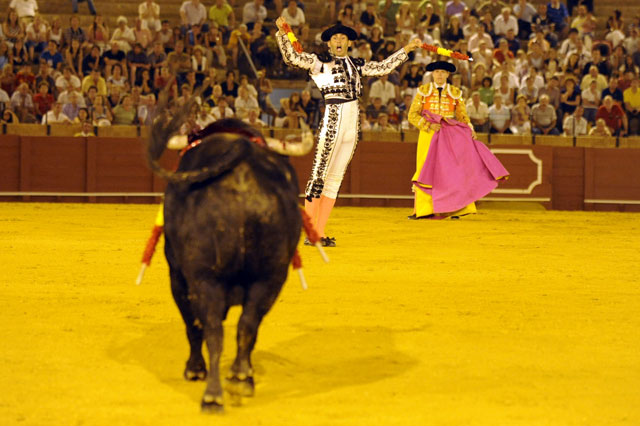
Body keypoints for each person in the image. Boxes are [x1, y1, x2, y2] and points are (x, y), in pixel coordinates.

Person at [276, 18, 421, 246]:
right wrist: (283, 33)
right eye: (335, 38)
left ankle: (319, 233)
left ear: (349, 43)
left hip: (352, 122)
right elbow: (292, 57)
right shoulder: (319, 63)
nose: (339, 40)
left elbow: (383, 67)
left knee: (334, 181)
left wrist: (407, 50)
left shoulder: (356, 64)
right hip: (333, 118)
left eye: (343, 37)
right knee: (318, 176)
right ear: (329, 44)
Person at [407, 60, 508, 220]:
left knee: (452, 171)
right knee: (425, 169)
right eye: (437, 72)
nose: (439, 75)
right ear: (432, 74)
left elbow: (462, 116)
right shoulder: (423, 91)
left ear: (448, 75)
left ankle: (457, 210)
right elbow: (412, 115)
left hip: (448, 134)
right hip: (428, 135)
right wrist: (428, 126)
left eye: (443, 72)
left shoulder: (455, 92)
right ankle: (424, 210)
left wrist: (470, 129)